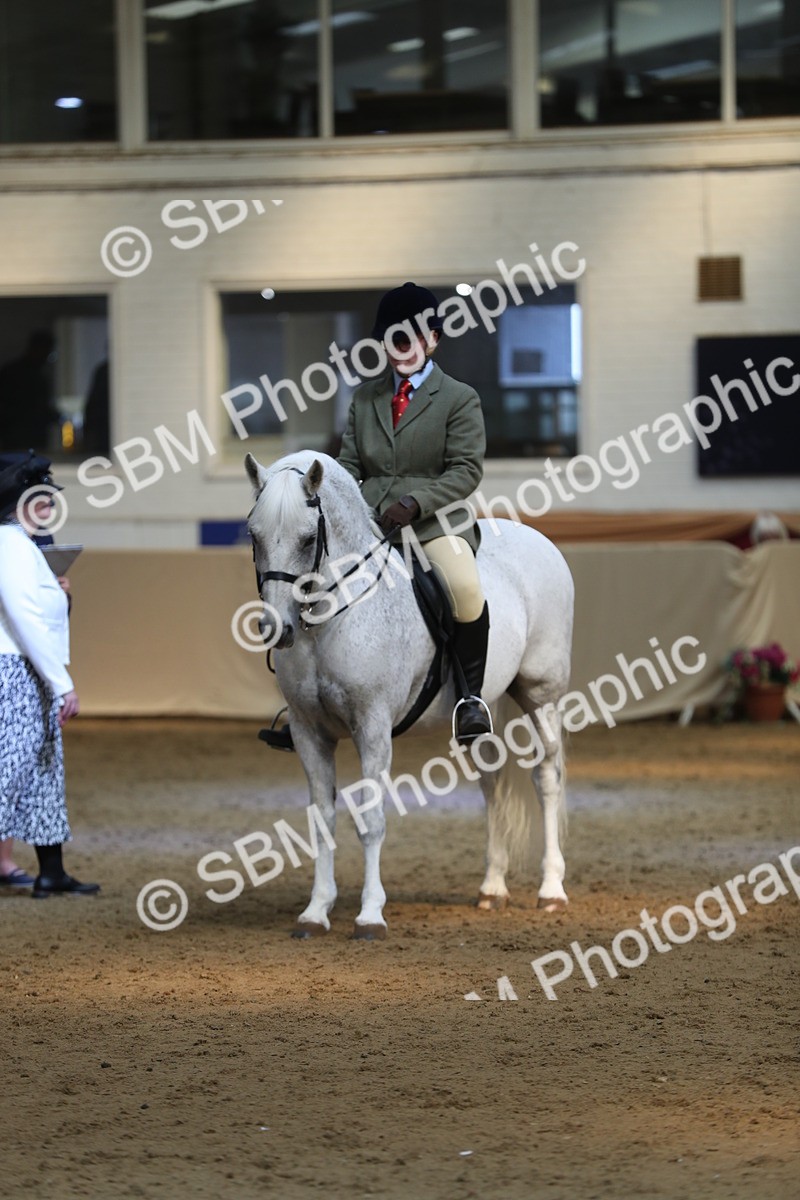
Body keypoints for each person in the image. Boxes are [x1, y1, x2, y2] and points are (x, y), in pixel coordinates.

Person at [262, 283, 492, 750]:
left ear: (432, 340)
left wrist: (416, 503)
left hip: (434, 524)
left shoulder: (459, 398)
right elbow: (348, 466)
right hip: (373, 525)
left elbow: (466, 470)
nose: (400, 350)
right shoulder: (365, 398)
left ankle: (470, 699)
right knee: (312, 585)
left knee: (465, 589)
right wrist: (325, 494)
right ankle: (304, 704)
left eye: (409, 340)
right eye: (392, 340)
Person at [0, 451, 99, 897]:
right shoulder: (11, 546)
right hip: (14, 672)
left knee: (41, 772)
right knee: (10, 773)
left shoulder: (25, 546)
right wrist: (63, 683)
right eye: (40, 501)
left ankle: (51, 871)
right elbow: (25, 620)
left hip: (28, 672)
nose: (48, 509)